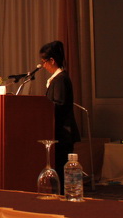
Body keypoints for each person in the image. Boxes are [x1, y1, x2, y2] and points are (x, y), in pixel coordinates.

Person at [39, 40, 80, 188]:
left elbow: (59, 105)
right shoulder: (57, 79)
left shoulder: (60, 79)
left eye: (44, 62)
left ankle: (63, 198)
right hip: (58, 133)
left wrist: (41, 109)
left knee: (62, 174)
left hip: (62, 134)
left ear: (52, 60)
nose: (43, 66)